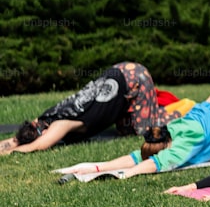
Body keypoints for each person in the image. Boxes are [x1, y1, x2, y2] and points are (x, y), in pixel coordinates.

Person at [55, 82, 210, 180]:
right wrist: (99, 167)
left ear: (167, 146)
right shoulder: (165, 131)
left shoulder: (185, 144)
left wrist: (125, 174)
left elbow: (157, 163)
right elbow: (140, 156)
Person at [1, 61, 179, 155]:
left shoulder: (57, 124)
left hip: (134, 77)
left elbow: (39, 146)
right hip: (119, 74)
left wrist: (9, 153)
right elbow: (18, 139)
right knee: (124, 127)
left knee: (142, 130)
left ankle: (181, 111)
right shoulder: (42, 120)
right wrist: (7, 146)